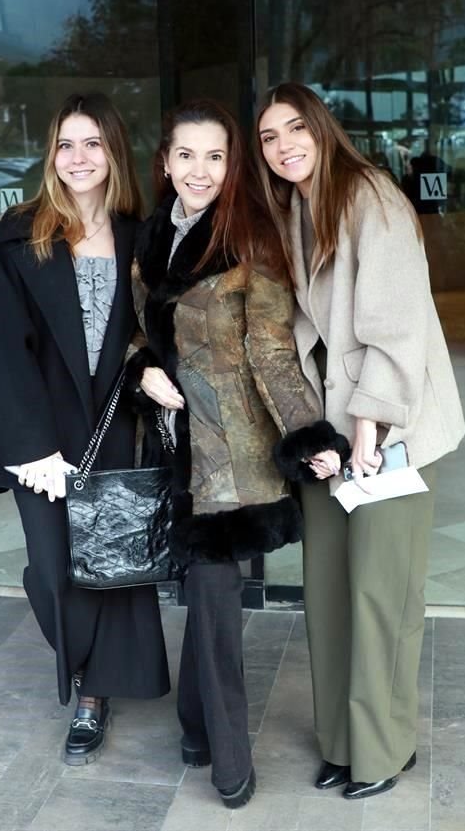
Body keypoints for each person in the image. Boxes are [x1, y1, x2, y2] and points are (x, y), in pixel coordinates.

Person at [122, 98, 345, 808]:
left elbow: (275, 354)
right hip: (171, 445)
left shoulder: (253, 239)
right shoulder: (153, 234)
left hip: (231, 452)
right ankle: (194, 724)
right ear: (165, 161)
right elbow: (136, 328)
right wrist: (141, 369)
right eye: (186, 154)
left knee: (216, 604)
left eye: (215, 156)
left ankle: (228, 757)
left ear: (233, 164)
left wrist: (310, 437)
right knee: (201, 589)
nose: (199, 169)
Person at [253, 82, 465, 800]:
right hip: (330, 437)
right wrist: (316, 434)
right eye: (268, 137)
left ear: (320, 126)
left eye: (293, 129)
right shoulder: (293, 210)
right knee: (331, 593)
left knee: (383, 594)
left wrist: (367, 427)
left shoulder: (370, 195)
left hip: (387, 430)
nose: (283, 146)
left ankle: (384, 748)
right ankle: (343, 741)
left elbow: (397, 322)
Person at [0, 92, 170, 766]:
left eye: (93, 143)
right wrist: (27, 444)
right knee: (55, 570)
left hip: (115, 427)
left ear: (114, 153)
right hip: (43, 437)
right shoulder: (22, 235)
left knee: (115, 566)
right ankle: (83, 669)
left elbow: (157, 330)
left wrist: (148, 373)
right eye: (66, 144)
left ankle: (92, 693)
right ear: (52, 155)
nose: (79, 158)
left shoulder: (145, 235)